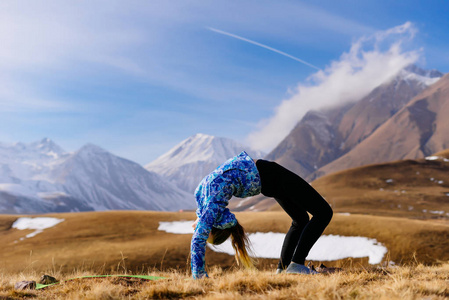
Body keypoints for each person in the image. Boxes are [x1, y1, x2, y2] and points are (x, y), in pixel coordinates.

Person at [190, 151, 333, 279]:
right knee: (324, 213)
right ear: (213, 225)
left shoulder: (205, 204)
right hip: (270, 175)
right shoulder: (211, 207)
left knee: (300, 220)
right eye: (203, 231)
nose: (194, 228)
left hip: (268, 180)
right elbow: (198, 240)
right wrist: (199, 274)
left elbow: (200, 235)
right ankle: (297, 264)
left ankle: (282, 269)